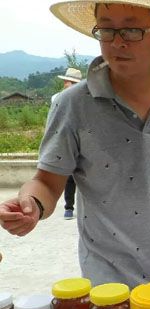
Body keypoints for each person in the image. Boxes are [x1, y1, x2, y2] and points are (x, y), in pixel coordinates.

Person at [0, 0, 150, 292]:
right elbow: (47, 182)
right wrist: (32, 205)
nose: (117, 42)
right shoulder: (72, 105)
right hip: (109, 291)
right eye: (106, 30)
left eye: (131, 30)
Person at [51, 67, 83, 220]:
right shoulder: (57, 98)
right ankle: (68, 207)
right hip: (65, 140)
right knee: (69, 177)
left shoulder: (85, 99)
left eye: (69, 82)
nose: (66, 84)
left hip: (82, 139)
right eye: (66, 81)